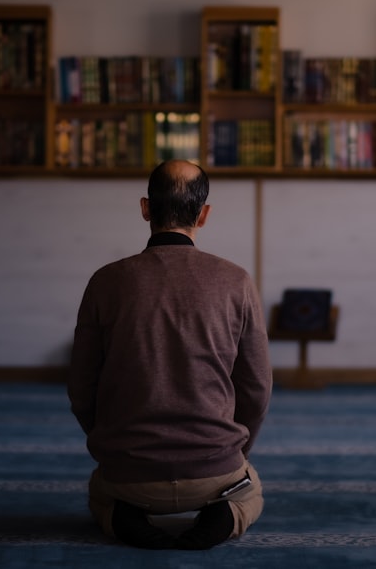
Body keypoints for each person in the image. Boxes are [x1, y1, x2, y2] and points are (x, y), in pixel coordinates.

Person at [68, 159, 273, 550]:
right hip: (216, 474)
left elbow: (80, 386)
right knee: (251, 492)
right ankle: (225, 514)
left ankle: (121, 514)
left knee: (99, 492)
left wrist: (112, 442)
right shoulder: (237, 281)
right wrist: (230, 452)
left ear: (146, 208)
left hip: (128, 475)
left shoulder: (105, 281)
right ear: (205, 214)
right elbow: (257, 389)